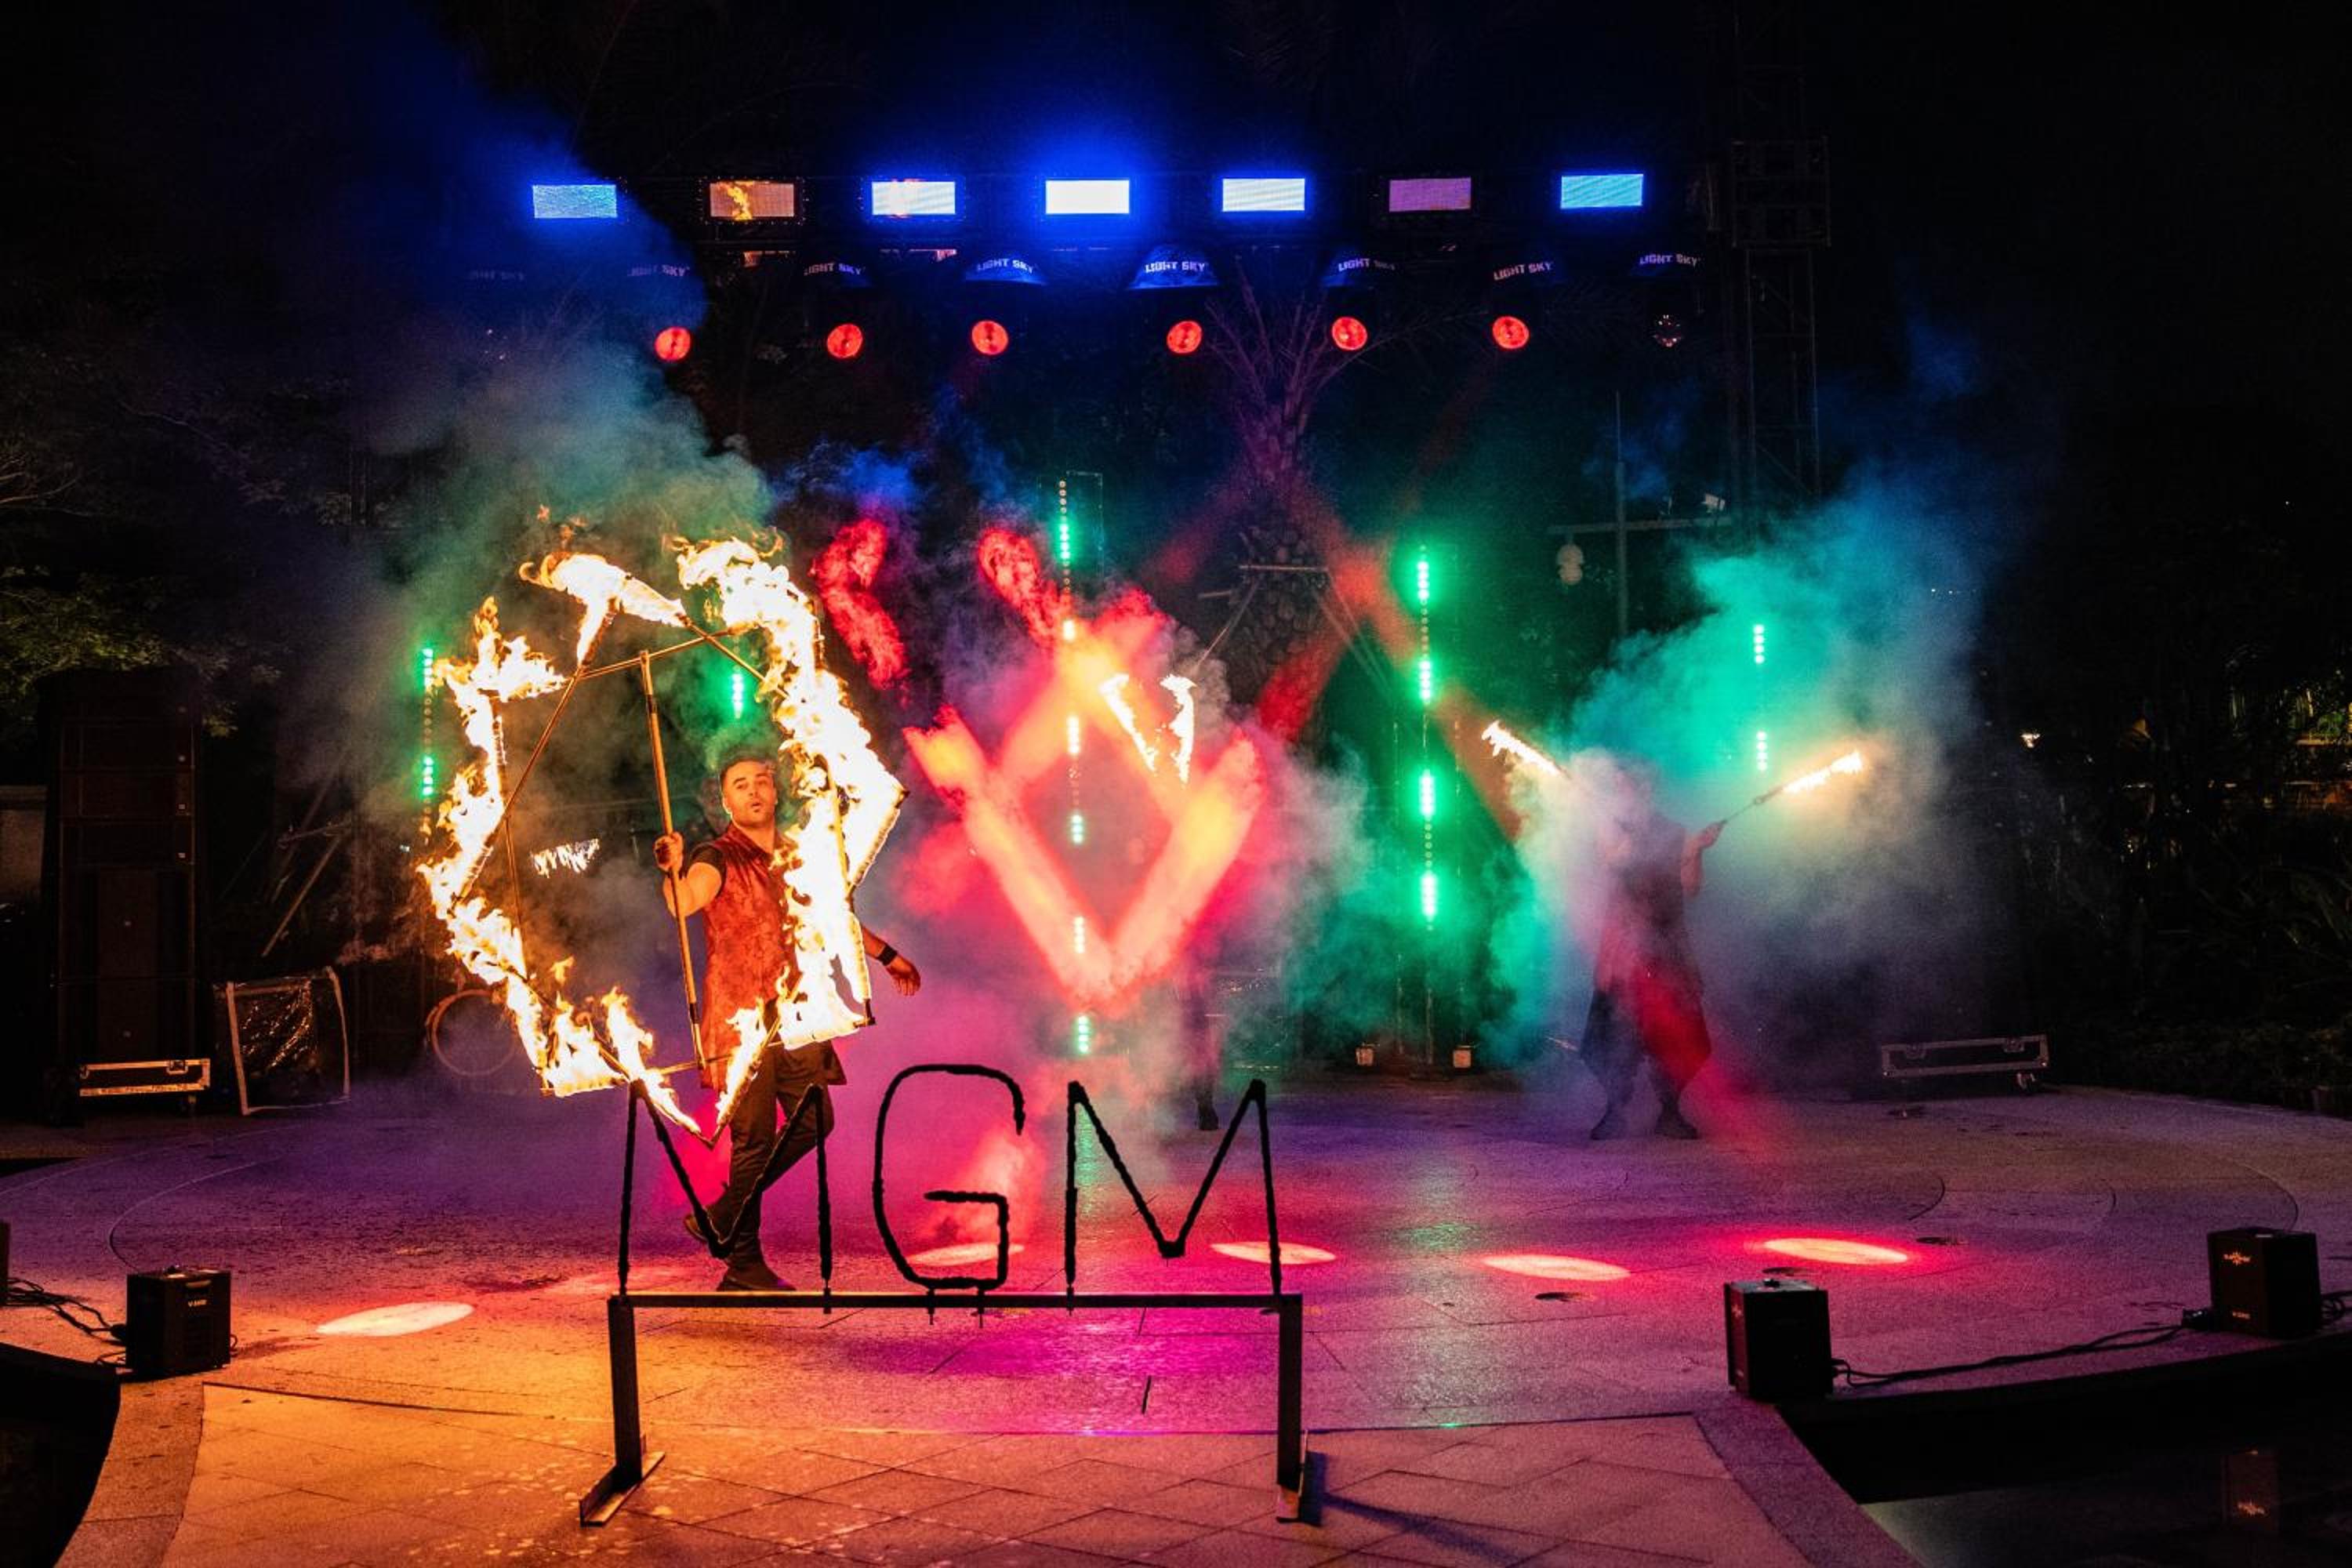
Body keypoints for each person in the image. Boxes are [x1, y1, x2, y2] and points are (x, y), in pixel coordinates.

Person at [654, 747, 920, 1290]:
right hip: (742, 1024)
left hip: (798, 1016)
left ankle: (724, 1213)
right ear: (725, 801)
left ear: (775, 792)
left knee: (814, 1119)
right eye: (740, 785)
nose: (753, 791)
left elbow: (832, 917)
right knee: (753, 1141)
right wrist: (671, 870)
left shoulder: (797, 855)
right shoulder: (715, 856)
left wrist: (887, 955)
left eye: (761, 781)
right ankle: (743, 1264)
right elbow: (684, 901)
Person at [1581, 772, 1721, 1141]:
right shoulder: (1613, 828)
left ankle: (1671, 1112)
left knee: (1680, 1034)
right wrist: (1631, 835)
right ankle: (1614, 1111)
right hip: (1625, 948)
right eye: (1626, 786)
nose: (1633, 792)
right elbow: (1612, 863)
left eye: (1640, 785)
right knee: (1611, 1032)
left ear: (1651, 790)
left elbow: (1691, 886)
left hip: (1668, 945)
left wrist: (1698, 850)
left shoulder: (1675, 832)